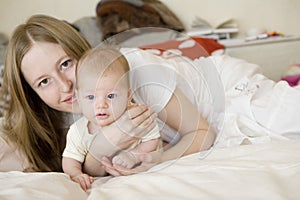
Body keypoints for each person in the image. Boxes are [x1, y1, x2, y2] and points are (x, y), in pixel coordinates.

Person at [0, 14, 215, 174]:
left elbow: (203, 132)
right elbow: (92, 170)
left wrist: (155, 161)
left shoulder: (135, 71)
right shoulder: (62, 112)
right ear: (33, 93)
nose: (65, 86)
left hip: (207, 92)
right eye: (44, 81)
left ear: (81, 51)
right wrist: (104, 144)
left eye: (65, 64)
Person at [62, 47, 161, 190]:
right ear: (78, 97)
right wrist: (76, 174)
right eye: (91, 97)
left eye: (111, 96)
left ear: (128, 96)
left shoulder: (135, 117)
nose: (101, 105)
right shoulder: (77, 131)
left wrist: (133, 156)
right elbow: (70, 159)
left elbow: (152, 138)